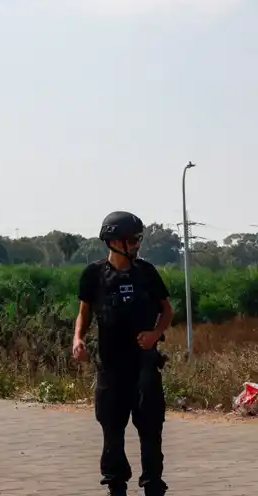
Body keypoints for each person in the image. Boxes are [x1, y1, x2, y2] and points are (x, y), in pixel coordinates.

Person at [73, 211, 174, 496]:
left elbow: (167, 310)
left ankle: (153, 483)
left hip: (145, 367)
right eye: (132, 240)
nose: (137, 245)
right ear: (113, 241)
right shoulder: (93, 275)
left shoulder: (146, 273)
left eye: (139, 239)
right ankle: (115, 483)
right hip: (111, 368)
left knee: (151, 430)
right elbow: (84, 314)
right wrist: (77, 339)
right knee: (112, 430)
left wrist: (155, 334)